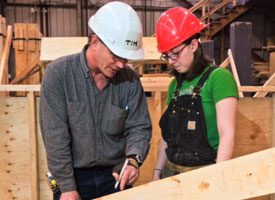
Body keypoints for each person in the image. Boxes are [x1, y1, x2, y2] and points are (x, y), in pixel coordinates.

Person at [40, 2, 152, 200]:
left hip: (116, 176)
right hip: (73, 178)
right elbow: (55, 135)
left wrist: (133, 160)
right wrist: (66, 186)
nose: (120, 64)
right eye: (116, 56)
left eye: (125, 59)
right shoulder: (59, 75)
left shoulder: (130, 80)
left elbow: (139, 127)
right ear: (95, 41)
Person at [152, 7, 238, 180]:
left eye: (175, 53)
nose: (171, 61)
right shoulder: (174, 86)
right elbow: (168, 137)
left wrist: (218, 178)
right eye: (167, 56)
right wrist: (157, 172)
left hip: (204, 176)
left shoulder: (219, 78)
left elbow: (227, 133)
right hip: (171, 175)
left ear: (193, 45)